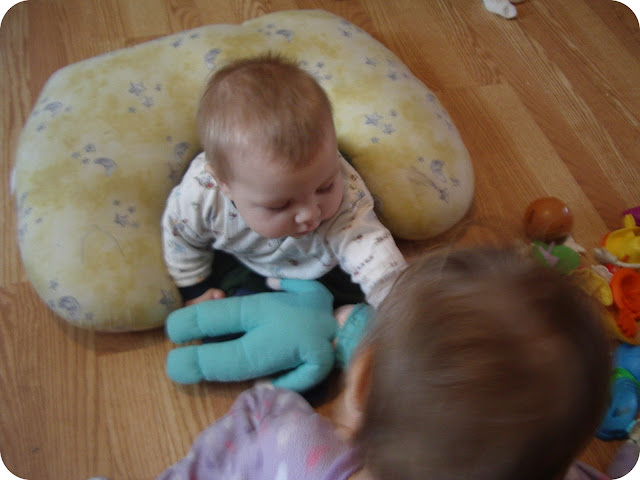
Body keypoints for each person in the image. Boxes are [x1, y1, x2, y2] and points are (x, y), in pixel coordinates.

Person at [156, 247, 618, 480]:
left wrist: (278, 405)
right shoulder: (555, 467)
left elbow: (253, 422)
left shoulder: (294, 448)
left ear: (363, 379)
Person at [161, 53, 406, 310]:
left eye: (325, 187)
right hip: (250, 263)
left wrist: (397, 304)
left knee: (356, 298)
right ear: (224, 184)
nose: (310, 214)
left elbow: (372, 252)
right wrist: (195, 288)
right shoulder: (201, 195)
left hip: (326, 263)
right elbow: (181, 237)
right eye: (280, 205)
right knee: (233, 303)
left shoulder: (346, 192)